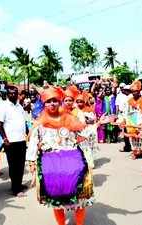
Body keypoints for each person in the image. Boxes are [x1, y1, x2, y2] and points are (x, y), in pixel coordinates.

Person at [26, 87, 94, 225]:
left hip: (73, 161)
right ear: (44, 104)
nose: (52, 104)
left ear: (60, 102)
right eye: (48, 101)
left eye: (55, 101)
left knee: (80, 200)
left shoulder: (70, 119)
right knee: (56, 202)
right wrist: (31, 161)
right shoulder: (40, 123)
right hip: (51, 165)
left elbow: (83, 136)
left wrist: (95, 126)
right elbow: (33, 142)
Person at [0, 85, 28, 197]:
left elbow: (23, 122)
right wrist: (4, 138)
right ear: (7, 94)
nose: (13, 95)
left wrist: (27, 134)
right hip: (10, 141)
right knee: (13, 165)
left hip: (21, 140)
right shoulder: (3, 106)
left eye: (15, 93)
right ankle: (15, 189)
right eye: (11, 93)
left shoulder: (19, 106)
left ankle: (18, 184)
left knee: (21, 164)